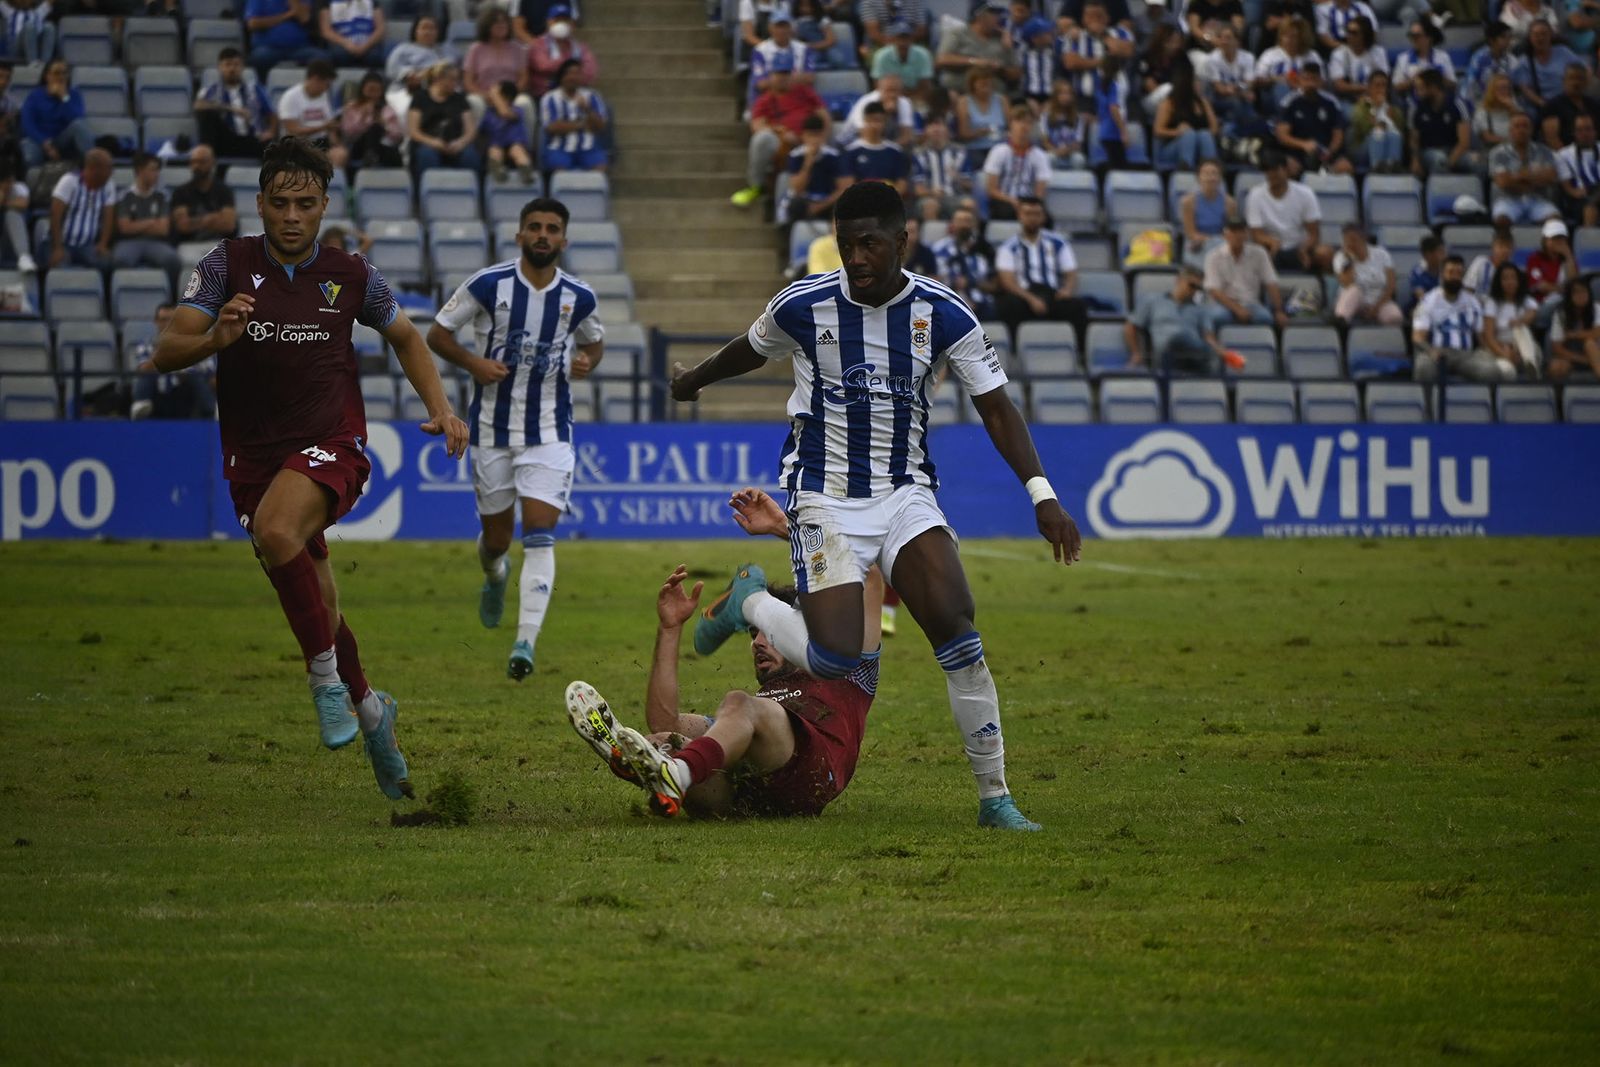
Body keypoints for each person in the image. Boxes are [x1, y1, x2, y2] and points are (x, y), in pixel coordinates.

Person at [667, 181, 1081, 832]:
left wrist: (1043, 494)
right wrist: (693, 380)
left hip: (904, 492)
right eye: (845, 243)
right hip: (822, 496)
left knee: (959, 631)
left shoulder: (944, 315)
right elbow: (749, 347)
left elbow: (997, 407)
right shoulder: (803, 305)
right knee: (836, 658)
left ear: (901, 240)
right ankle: (750, 598)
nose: (856, 257)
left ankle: (995, 798)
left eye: (869, 244)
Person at [150, 137, 468, 799]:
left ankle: (325, 682)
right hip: (252, 457)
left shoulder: (350, 274)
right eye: (281, 202)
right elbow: (167, 349)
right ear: (260, 203)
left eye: (306, 203)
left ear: (324, 206)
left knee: (276, 531)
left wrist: (441, 408)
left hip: (334, 442)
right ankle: (374, 712)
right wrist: (215, 339)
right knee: (316, 599)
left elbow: (407, 336)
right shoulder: (225, 265)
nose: (293, 215)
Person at [567, 523, 883, 819]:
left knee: (740, 704)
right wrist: (670, 628)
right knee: (666, 738)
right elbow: (666, 719)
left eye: (769, 633)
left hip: (813, 776)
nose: (757, 643)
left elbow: (867, 573)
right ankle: (646, 763)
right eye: (752, 633)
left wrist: (783, 529)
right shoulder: (768, 698)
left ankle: (674, 772)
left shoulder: (849, 670)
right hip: (746, 799)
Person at [425, 196, 602, 679]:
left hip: (550, 433)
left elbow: (594, 342)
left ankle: (524, 641)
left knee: (540, 534)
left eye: (551, 228)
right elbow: (437, 334)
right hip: (491, 431)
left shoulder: (579, 296)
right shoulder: (489, 284)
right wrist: (474, 364)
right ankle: (494, 575)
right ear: (520, 235)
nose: (543, 235)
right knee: (497, 540)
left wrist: (588, 361)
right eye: (534, 227)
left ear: (563, 239)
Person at [732, 52, 826, 209]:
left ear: (792, 74)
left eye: (786, 73)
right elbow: (757, 126)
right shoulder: (765, 100)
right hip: (783, 145)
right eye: (779, 73)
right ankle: (756, 186)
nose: (782, 77)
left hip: (809, 139)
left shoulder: (804, 92)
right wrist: (781, 133)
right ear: (771, 75)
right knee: (762, 139)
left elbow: (824, 115)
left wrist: (821, 138)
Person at [993, 196, 1089, 346]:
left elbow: (1071, 273)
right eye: (1027, 213)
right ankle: (1014, 351)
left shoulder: (1058, 243)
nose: (1032, 218)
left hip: (1051, 294)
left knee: (1077, 306)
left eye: (1036, 214)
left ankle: (1080, 353)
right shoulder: (1008, 247)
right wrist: (1031, 299)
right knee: (1007, 305)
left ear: (1043, 217)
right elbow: (1007, 281)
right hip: (1024, 296)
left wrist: (1067, 290)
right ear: (1020, 216)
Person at [1124, 265, 1232, 374]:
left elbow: (1209, 338)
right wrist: (1136, 353)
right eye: (1192, 285)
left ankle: (1209, 371)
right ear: (1179, 280)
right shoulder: (1153, 301)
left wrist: (1224, 353)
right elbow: (1131, 326)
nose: (1194, 291)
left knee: (1200, 348)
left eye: (1198, 288)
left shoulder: (1200, 310)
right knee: (1178, 337)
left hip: (1193, 355)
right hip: (1166, 354)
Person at [1411, 254, 1502, 382]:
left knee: (1491, 371)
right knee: (1423, 368)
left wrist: (1487, 354)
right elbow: (1418, 337)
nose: (1455, 277)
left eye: (1459, 273)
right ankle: (1429, 402)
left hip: (1466, 355)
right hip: (1437, 352)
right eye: (1450, 272)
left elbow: (1482, 338)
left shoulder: (1473, 302)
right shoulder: (1428, 301)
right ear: (1442, 275)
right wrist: (1431, 351)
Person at [1245, 150, 1332, 272]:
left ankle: (1324, 288)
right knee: (1252, 254)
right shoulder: (1255, 195)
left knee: (1324, 253)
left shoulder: (1305, 193)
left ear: (1286, 170)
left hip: (1299, 247)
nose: (1271, 175)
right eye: (1267, 171)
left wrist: (1304, 249)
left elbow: (1314, 234)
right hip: (1271, 248)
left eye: (1275, 170)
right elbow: (1256, 234)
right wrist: (1271, 242)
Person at [1203, 215, 1289, 332]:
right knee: (1216, 318)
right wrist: (1237, 309)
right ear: (1225, 235)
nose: (1237, 235)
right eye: (1233, 231)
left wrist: (1279, 311)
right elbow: (1214, 291)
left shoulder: (1259, 253)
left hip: (1251, 303)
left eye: (1241, 231)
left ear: (1246, 234)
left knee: (1266, 318)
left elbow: (1271, 283)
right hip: (1223, 305)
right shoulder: (1213, 256)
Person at [130, 303, 215, 420]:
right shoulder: (146, 345)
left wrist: (187, 369)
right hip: (157, 395)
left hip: (185, 395)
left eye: (172, 320)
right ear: (156, 322)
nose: (168, 324)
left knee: (197, 375)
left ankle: (210, 412)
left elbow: (211, 376)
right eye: (163, 320)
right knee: (146, 373)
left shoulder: (195, 343)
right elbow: (143, 368)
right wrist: (167, 358)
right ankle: (141, 405)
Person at [196, 48, 278, 162]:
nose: (232, 69)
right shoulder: (210, 91)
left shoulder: (255, 89)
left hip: (252, 139)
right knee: (207, 115)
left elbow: (272, 114)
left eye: (236, 64)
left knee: (272, 148)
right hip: (224, 141)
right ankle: (207, 160)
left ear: (242, 67)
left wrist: (270, 132)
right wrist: (232, 109)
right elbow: (198, 106)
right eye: (227, 65)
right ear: (220, 67)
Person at [1274, 60, 1349, 177]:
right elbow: (1282, 136)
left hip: (1326, 151)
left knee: (1345, 167)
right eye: (1306, 79)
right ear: (1299, 80)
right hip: (1298, 152)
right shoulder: (1289, 102)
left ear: (1320, 81)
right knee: (1287, 167)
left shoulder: (1331, 102)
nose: (1310, 84)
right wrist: (1304, 144)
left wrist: (1330, 151)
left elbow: (1338, 134)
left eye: (1314, 79)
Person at [112, 151, 179, 278]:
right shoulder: (124, 196)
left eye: (158, 170)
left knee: (172, 260)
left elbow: (163, 229)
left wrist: (136, 225)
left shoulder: (162, 196)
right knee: (120, 261)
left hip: (156, 242)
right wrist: (151, 222)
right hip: (129, 242)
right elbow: (125, 228)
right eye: (153, 170)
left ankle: (173, 296)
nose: (157, 174)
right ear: (140, 170)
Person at [45, 146, 114, 270]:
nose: (110, 172)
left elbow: (108, 217)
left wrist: (103, 243)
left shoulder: (108, 186)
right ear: (94, 169)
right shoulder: (69, 181)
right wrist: (57, 248)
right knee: (61, 267)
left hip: (87, 245)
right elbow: (55, 215)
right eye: (107, 168)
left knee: (106, 264)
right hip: (63, 242)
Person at [1489, 111, 1561, 226]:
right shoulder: (1498, 153)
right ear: (1510, 130)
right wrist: (1535, 176)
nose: (1521, 130)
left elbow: (1550, 177)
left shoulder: (1544, 151)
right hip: (1507, 200)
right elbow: (1503, 182)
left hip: (1538, 200)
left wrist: (1518, 176)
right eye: (1517, 126)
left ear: (1531, 130)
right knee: (1501, 220)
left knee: (1555, 222)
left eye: (1525, 126)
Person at [20, 58, 94, 168]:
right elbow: (27, 124)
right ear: (47, 76)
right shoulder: (35, 96)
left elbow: (76, 119)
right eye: (56, 73)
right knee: (29, 148)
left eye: (64, 73)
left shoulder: (74, 95)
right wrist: (45, 143)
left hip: (62, 141)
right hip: (39, 141)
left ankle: (93, 167)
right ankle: (33, 182)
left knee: (79, 125)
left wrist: (64, 98)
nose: (61, 77)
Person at [410, 62, 481, 175]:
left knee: (470, 156)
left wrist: (461, 142)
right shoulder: (420, 98)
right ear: (438, 79)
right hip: (428, 143)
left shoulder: (460, 99)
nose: (455, 83)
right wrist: (432, 142)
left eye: (457, 80)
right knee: (427, 156)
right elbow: (414, 131)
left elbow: (471, 130)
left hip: (455, 143)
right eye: (452, 79)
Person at [935, 0, 1020, 95]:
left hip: (994, 96)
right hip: (959, 92)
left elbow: (1015, 74)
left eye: (998, 13)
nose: (998, 17)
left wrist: (1000, 68)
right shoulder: (957, 33)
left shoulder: (1003, 38)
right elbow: (942, 60)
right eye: (993, 13)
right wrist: (975, 62)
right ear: (980, 16)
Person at [538, 58, 608, 174]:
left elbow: (601, 126)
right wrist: (582, 124)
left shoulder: (592, 96)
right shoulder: (549, 98)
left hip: (588, 147)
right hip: (559, 148)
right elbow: (552, 127)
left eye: (577, 74)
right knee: (560, 171)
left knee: (600, 168)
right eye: (570, 73)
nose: (573, 77)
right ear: (562, 77)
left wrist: (587, 109)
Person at [278, 60, 348, 170]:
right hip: (298, 144)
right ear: (316, 79)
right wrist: (323, 127)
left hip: (320, 142)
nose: (327, 88)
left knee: (340, 154)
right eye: (327, 84)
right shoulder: (290, 97)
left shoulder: (324, 96)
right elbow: (293, 131)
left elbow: (330, 127)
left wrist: (336, 144)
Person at [981, 108, 1050, 221]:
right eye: (1019, 121)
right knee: (1006, 212)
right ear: (1011, 125)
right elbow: (991, 189)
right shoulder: (998, 151)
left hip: (1029, 201)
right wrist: (1012, 201)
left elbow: (1040, 192)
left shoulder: (1040, 155)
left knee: (1046, 219)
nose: (1024, 126)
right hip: (1004, 199)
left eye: (1028, 122)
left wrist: (1028, 205)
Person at [1154, 54, 1220, 170]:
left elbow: (1214, 129)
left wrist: (1199, 135)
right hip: (1172, 148)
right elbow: (1158, 131)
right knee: (1188, 135)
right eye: (1196, 81)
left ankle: (1211, 169)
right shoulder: (1170, 103)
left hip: (1199, 145)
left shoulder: (1203, 102)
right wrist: (1177, 132)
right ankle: (1185, 169)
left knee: (1204, 134)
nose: (1199, 84)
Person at [931, 204, 997, 319]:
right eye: (960, 221)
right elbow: (934, 280)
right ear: (952, 224)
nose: (964, 225)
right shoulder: (940, 250)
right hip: (950, 301)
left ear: (974, 225)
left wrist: (971, 282)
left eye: (967, 221)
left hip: (982, 304)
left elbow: (994, 284)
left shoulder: (984, 249)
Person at [1061, 0, 1135, 102]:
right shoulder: (1075, 36)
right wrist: (1103, 62)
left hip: (1116, 99)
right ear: (1083, 19)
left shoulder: (1121, 33)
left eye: (1099, 16)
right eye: (1090, 17)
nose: (1095, 20)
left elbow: (1127, 51)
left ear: (1107, 18)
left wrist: (1103, 35)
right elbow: (1071, 63)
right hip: (1084, 100)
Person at [1479, 261, 1542, 378]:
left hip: (1522, 346)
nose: (1510, 282)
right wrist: (1504, 353)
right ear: (1499, 282)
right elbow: (1489, 336)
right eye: (1505, 279)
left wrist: (1520, 321)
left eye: (1513, 278)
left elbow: (1532, 313)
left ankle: (1530, 364)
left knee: (1520, 329)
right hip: (1500, 346)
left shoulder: (1526, 300)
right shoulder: (1492, 303)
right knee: (1508, 372)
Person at [1407, 69, 1475, 178]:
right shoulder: (1416, 107)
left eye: (1420, 88)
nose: (1417, 92)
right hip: (1429, 151)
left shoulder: (1458, 104)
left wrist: (1448, 163)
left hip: (1454, 149)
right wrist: (1415, 160)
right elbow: (1414, 140)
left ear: (1433, 87)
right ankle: (1440, 192)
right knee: (1439, 159)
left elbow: (1464, 142)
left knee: (1475, 162)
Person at [1332, 224, 1401, 326]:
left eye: (1353, 239)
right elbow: (1347, 283)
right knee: (1353, 290)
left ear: (1364, 238)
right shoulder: (1340, 257)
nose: (1350, 243)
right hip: (1354, 299)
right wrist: (1350, 259)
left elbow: (1391, 286)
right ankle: (1341, 326)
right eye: (1346, 240)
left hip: (1378, 298)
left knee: (1395, 317)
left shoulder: (1382, 254)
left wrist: (1376, 307)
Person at [524, 2, 597, 98]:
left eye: (565, 20)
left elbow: (590, 72)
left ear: (572, 24)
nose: (561, 23)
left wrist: (570, 77)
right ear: (548, 22)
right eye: (557, 20)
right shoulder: (539, 44)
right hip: (545, 93)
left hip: (575, 92)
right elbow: (543, 66)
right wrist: (571, 66)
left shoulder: (580, 47)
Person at [340, 70, 405, 174]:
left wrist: (384, 124)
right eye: (371, 90)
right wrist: (363, 117)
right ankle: (369, 158)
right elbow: (348, 133)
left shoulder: (387, 110)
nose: (373, 94)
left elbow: (398, 136)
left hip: (381, 147)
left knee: (394, 153)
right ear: (363, 89)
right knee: (374, 128)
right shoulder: (352, 108)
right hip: (358, 145)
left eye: (377, 90)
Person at [171, 145, 238, 245]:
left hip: (219, 243)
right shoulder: (180, 192)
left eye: (201, 162)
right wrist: (210, 219)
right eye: (193, 162)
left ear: (212, 163)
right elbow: (182, 226)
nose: (196, 166)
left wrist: (194, 222)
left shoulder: (224, 190)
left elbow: (229, 225)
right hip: (190, 244)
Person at [463, 7, 529, 108]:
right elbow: (468, 82)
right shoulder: (476, 49)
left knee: (524, 102)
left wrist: (510, 95)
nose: (502, 26)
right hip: (484, 96)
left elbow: (523, 78)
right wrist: (486, 96)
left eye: (504, 22)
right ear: (487, 26)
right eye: (497, 23)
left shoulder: (517, 48)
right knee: (474, 101)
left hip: (511, 95)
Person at [244, 0, 326, 81]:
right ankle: (262, 91)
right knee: (259, 58)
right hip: (269, 47)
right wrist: (287, 16)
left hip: (300, 48)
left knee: (321, 58)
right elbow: (253, 24)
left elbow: (304, 17)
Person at [749, 11, 814, 109]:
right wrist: (796, 79)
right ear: (770, 28)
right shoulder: (760, 50)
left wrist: (777, 80)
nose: (782, 30)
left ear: (791, 28)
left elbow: (810, 78)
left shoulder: (804, 48)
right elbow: (761, 84)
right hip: (771, 98)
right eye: (778, 26)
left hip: (798, 96)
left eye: (785, 26)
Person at [911, 118, 973, 220]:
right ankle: (933, 235)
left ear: (948, 130)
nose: (936, 129)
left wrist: (958, 178)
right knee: (930, 206)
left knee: (969, 204)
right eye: (932, 125)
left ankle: (970, 236)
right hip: (929, 197)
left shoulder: (960, 152)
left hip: (956, 196)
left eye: (940, 125)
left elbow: (970, 185)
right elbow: (918, 189)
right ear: (925, 131)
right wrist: (932, 192)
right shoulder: (918, 154)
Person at [1514, 20, 1580, 114]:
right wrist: (1545, 104)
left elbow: (1583, 70)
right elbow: (1525, 89)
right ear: (1530, 38)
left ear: (1551, 35)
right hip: (1540, 105)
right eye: (1536, 35)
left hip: (1567, 100)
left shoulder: (1563, 52)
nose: (1540, 38)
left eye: (1544, 34)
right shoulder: (1523, 62)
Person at [386, 15, 458, 97]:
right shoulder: (402, 49)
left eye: (432, 29)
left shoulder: (447, 49)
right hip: (408, 90)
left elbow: (454, 69)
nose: (427, 32)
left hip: (444, 90)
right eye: (424, 28)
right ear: (415, 31)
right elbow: (393, 70)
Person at [1350, 70, 1407, 173]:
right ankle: (1377, 170)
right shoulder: (1361, 106)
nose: (1381, 89)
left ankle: (1393, 168)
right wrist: (1375, 108)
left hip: (1388, 143)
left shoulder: (1392, 109)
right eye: (1377, 85)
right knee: (1378, 134)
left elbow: (1401, 131)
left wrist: (1393, 117)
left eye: (1384, 86)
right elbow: (1363, 130)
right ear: (1369, 87)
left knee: (1394, 135)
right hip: (1363, 147)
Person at [1180, 158, 1232, 269]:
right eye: (1206, 174)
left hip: (1221, 245)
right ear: (1199, 178)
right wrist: (1210, 241)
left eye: (1214, 174)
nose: (1211, 178)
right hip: (1197, 244)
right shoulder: (1188, 202)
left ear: (1220, 178)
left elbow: (1229, 231)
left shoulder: (1230, 203)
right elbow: (1191, 233)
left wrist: (1217, 242)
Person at [482, 80, 535, 184]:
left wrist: (495, 95)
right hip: (497, 143)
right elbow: (481, 131)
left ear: (507, 98)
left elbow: (505, 113)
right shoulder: (489, 113)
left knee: (517, 150)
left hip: (515, 143)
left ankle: (526, 171)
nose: (491, 96)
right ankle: (498, 171)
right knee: (494, 150)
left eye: (497, 95)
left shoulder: (517, 110)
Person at [1547, 276, 1600, 380]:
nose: (1581, 296)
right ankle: (1558, 396)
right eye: (1576, 292)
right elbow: (1557, 347)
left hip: (1596, 353)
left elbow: (1596, 333)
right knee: (1556, 367)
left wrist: (1573, 334)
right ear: (1569, 296)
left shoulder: (1597, 308)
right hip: (1573, 356)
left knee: (1589, 343)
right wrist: (1582, 359)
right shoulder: (1560, 314)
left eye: (1584, 292)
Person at [1538, 63, 1600, 152]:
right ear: (1564, 80)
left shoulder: (1594, 104)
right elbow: (1552, 139)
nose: (1576, 82)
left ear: (1586, 82)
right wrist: (1570, 158)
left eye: (1580, 78)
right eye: (1572, 78)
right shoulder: (1552, 106)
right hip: (1565, 157)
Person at [1526, 216, 1576, 322]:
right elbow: (1541, 286)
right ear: (1545, 240)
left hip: (1565, 303)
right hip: (1542, 304)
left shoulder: (1569, 260)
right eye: (1554, 238)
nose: (1558, 242)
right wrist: (1563, 290)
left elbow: (1574, 283)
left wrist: (1568, 256)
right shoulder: (1535, 259)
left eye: (1561, 238)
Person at [1327, 16, 1387, 103]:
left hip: (1374, 97)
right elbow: (1339, 85)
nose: (1349, 35)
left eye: (1354, 33)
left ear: (1364, 34)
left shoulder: (1378, 52)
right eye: (1348, 31)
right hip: (1348, 99)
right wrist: (1366, 88)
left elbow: (1383, 80)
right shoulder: (1338, 54)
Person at [871, 19, 934, 99]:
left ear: (912, 39)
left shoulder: (923, 55)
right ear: (893, 39)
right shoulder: (881, 56)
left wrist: (906, 100)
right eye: (899, 38)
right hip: (888, 97)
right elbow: (878, 86)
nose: (902, 42)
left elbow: (925, 87)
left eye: (906, 38)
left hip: (916, 98)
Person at [1465, 22, 1526, 105]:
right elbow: (1471, 83)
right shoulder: (1479, 58)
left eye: (1509, 38)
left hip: (1504, 100)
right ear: (1492, 40)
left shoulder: (1512, 60)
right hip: (1479, 101)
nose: (1508, 41)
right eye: (1503, 37)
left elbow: (1517, 85)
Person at [1390, 20, 1455, 98]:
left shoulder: (1442, 57)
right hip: (1413, 105)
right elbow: (1396, 87)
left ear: (1429, 37)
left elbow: (1453, 85)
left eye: (1417, 36)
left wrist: (1434, 78)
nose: (1414, 39)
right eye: (1411, 36)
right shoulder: (1403, 58)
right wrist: (1415, 80)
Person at [1557, 113, 1600, 225]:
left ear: (1595, 131)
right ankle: (1589, 241)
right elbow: (1568, 188)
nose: (1584, 134)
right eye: (1580, 130)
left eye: (1588, 129)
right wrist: (1581, 193)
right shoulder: (1563, 154)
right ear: (1574, 133)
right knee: (1591, 205)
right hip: (1580, 198)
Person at [319, 0, 387, 69]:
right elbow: (326, 31)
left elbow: (380, 29)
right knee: (339, 55)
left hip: (368, 43)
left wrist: (365, 46)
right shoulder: (327, 2)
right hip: (342, 44)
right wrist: (347, 44)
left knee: (374, 57)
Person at [955, 67, 1008, 156]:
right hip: (975, 149)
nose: (986, 87)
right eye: (982, 84)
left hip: (999, 148)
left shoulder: (1002, 100)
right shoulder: (964, 102)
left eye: (988, 83)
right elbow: (963, 134)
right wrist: (979, 133)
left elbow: (1010, 127)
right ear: (973, 85)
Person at [1038, 79, 1090, 170]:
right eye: (1062, 93)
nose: (1066, 97)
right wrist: (1056, 151)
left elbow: (1078, 143)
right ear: (1055, 96)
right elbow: (1045, 141)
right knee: (1050, 158)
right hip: (1053, 151)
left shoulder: (1078, 118)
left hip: (1071, 153)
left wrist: (1067, 151)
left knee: (1079, 159)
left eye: (1068, 94)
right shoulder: (1046, 117)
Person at [1473, 72, 1525, 156]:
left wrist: (1513, 110)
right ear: (1492, 91)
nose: (1505, 91)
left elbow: (1524, 131)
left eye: (1507, 88)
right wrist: (1511, 142)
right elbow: (1488, 138)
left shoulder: (1515, 108)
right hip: (1493, 151)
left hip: (1518, 150)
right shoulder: (1482, 112)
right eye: (1501, 88)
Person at [1464, 229, 1514, 295]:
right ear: (1493, 247)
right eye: (1501, 246)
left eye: (1508, 247)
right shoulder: (1480, 262)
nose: (1505, 250)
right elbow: (1468, 288)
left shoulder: (1513, 271)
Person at [1409, 232, 1445, 308]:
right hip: (1421, 306)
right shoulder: (1417, 272)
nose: (1444, 255)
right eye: (1440, 251)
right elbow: (1421, 297)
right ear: (1428, 254)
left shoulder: (1446, 270)